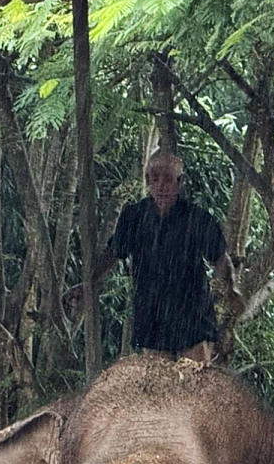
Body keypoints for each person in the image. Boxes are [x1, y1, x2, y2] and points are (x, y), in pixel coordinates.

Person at [64, 150, 240, 362]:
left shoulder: (197, 218)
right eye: (155, 179)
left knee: (196, 382)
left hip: (192, 317)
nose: (161, 186)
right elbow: (113, 252)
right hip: (152, 317)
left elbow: (221, 259)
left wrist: (229, 292)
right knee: (157, 386)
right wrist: (87, 283)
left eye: (168, 179)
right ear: (147, 180)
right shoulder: (134, 216)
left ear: (180, 182)